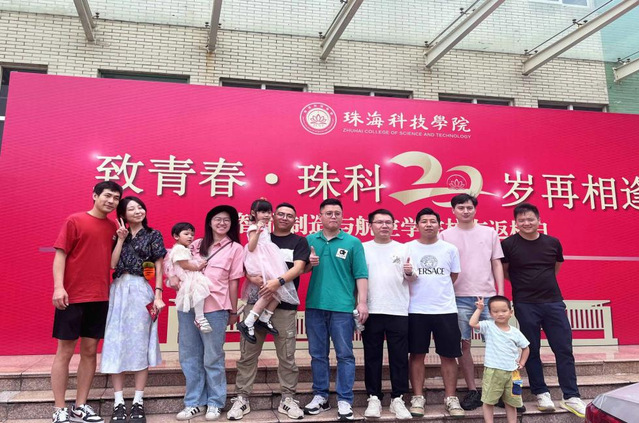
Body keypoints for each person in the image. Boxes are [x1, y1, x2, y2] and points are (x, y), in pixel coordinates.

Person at [501, 203, 586, 418]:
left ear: (539, 220)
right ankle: (541, 393)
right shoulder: (508, 244)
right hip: (525, 303)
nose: (526, 223)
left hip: (553, 302)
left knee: (563, 348)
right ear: (516, 223)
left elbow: (555, 268)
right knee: (531, 349)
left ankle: (571, 396)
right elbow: (505, 272)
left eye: (530, 219)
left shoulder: (552, 243)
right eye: (521, 220)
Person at [227, 202, 310, 420]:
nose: (284, 218)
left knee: (287, 355)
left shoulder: (299, 241)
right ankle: (242, 398)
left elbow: (299, 267)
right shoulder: (262, 235)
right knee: (248, 354)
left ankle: (288, 399)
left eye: (289, 215)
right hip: (256, 300)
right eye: (280, 214)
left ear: (295, 219)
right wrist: (250, 277)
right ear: (273, 217)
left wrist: (277, 282)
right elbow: (246, 262)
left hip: (284, 307)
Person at [50, 181, 123, 423]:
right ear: (95, 195)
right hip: (72, 296)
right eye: (107, 195)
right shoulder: (75, 220)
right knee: (65, 352)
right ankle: (59, 408)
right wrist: (59, 287)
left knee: (90, 352)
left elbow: (111, 263)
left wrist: (121, 239)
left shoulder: (113, 227)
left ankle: (80, 406)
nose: (111, 201)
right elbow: (60, 254)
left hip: (100, 297)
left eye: (115, 198)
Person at [100, 196, 167, 423]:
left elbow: (158, 265)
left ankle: (138, 400)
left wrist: (158, 294)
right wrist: (120, 239)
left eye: (140, 207)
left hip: (141, 289)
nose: (138, 211)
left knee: (140, 344)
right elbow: (111, 264)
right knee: (115, 343)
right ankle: (118, 402)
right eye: (132, 209)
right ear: (123, 214)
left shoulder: (153, 234)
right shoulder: (117, 234)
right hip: (118, 289)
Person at [174, 205, 244, 422]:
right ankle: (194, 402)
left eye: (226, 220)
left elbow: (234, 282)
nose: (222, 223)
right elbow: (178, 265)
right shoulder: (195, 244)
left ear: (232, 224)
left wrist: (233, 310)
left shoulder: (235, 249)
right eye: (217, 219)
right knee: (189, 355)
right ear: (209, 222)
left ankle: (215, 402)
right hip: (189, 307)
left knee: (213, 357)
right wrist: (174, 279)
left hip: (216, 308)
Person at [304, 198, 368, 421]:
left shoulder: (352, 242)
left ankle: (345, 399)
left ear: (342, 216)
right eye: (329, 213)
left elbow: (361, 274)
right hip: (314, 306)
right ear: (320, 216)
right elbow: (299, 270)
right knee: (317, 354)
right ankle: (320, 396)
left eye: (337, 213)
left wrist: (362, 302)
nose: (333, 216)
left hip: (342, 308)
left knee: (345, 355)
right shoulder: (309, 240)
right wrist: (309, 263)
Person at [439, 193, 504, 411]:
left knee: (498, 343)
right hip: (459, 298)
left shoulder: (489, 232)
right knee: (463, 345)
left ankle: (498, 390)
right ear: (453, 211)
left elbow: (496, 263)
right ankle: (473, 390)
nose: (465, 211)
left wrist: (500, 295)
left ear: (475, 209)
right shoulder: (445, 235)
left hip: (488, 297)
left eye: (469, 207)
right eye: (461, 208)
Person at [406, 208, 465, 418]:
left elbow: (453, 276)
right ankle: (418, 397)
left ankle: (451, 398)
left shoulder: (450, 249)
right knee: (416, 354)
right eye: (424, 221)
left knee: (449, 355)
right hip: (415, 309)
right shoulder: (407, 248)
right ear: (417, 225)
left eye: (433, 221)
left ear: (439, 225)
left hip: (445, 309)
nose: (429, 224)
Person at [361, 209, 414, 420]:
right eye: (379, 222)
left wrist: (409, 272)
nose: (384, 226)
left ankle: (397, 398)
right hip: (371, 309)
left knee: (399, 357)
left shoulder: (404, 248)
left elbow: (412, 277)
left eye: (388, 222)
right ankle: (373, 397)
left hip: (398, 309)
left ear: (394, 225)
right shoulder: (362, 248)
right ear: (370, 226)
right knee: (371, 355)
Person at [237, 199, 299, 343]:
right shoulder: (254, 227)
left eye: (268, 212)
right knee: (269, 291)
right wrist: (257, 232)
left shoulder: (264, 228)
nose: (266, 215)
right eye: (262, 212)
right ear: (253, 213)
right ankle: (248, 322)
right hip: (260, 262)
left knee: (278, 289)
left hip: (268, 260)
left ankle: (264, 318)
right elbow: (251, 247)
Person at [469, 295, 530, 423]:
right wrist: (479, 309)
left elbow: (526, 348)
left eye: (504, 311)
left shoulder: (515, 332)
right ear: (490, 314)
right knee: (488, 401)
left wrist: (522, 362)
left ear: (511, 312)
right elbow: (472, 323)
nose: (500, 314)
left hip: (512, 373)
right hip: (493, 371)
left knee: (512, 402)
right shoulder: (488, 326)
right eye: (495, 311)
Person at [165, 222, 212, 332]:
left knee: (196, 294)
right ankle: (199, 317)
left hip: (186, 275)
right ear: (176, 236)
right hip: (187, 275)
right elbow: (184, 265)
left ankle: (199, 317)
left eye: (192, 234)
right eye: (186, 234)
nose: (190, 237)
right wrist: (198, 267)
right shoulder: (180, 249)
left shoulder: (182, 248)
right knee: (199, 290)